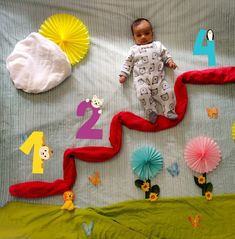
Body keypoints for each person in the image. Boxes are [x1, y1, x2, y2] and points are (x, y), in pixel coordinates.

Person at [119, 18, 178, 123]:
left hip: (159, 80)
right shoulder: (133, 50)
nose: (143, 37)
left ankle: (169, 110)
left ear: (152, 34)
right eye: (139, 35)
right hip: (142, 81)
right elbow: (128, 63)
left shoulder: (158, 45)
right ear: (134, 37)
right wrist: (123, 74)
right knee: (142, 95)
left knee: (168, 92)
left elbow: (165, 54)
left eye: (146, 33)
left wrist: (170, 62)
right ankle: (151, 111)